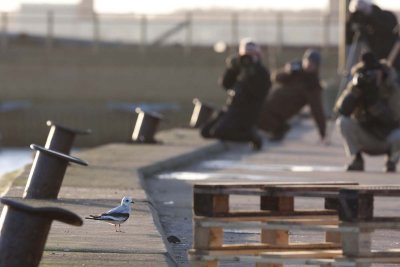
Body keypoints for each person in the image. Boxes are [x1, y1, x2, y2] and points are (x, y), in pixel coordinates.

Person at [200, 38, 271, 150]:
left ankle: (251, 136)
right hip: (231, 108)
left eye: (252, 55)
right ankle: (246, 133)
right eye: (246, 55)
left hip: (247, 111)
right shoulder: (240, 68)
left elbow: (258, 94)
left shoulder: (262, 72)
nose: (248, 59)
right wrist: (231, 69)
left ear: (258, 55)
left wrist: (250, 75)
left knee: (219, 132)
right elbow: (225, 84)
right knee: (205, 132)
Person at [336, 52, 400, 172]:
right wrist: (355, 93)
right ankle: (357, 159)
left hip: (386, 138)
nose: (371, 76)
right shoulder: (357, 87)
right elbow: (341, 110)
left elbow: (395, 120)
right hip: (365, 136)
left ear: (381, 73)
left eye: (374, 73)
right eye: (368, 73)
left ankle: (391, 161)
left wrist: (375, 105)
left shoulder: (392, 89)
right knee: (343, 122)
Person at [258, 49, 326, 141]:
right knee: (255, 110)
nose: (309, 65)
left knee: (260, 116)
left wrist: (323, 132)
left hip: (282, 110)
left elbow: (317, 109)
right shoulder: (295, 71)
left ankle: (279, 129)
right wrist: (286, 71)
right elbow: (276, 78)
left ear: (316, 66)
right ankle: (279, 128)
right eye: (308, 61)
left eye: (312, 63)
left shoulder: (312, 85)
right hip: (271, 101)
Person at [346, 0, 400, 72]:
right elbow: (348, 39)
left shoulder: (386, 17)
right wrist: (350, 23)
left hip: (392, 62)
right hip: (372, 63)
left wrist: (371, 15)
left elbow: (389, 26)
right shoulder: (360, 26)